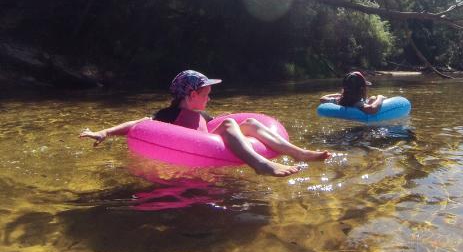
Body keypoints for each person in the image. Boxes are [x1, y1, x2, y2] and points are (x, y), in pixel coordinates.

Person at [80, 70, 331, 177]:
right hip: (184, 153)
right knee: (232, 124)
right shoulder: (168, 117)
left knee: (251, 123)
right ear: (191, 96)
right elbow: (139, 124)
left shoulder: (205, 117)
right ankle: (260, 165)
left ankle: (298, 153)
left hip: (206, 145)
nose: (210, 97)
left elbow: (218, 126)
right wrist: (105, 132)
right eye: (206, 93)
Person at [319, 71, 386, 114]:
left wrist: (338, 95)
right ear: (362, 89)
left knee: (372, 98)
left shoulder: (339, 101)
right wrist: (380, 98)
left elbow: (322, 98)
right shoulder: (357, 104)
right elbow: (372, 109)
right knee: (373, 98)